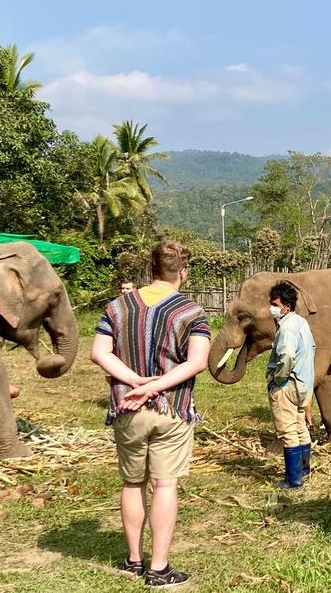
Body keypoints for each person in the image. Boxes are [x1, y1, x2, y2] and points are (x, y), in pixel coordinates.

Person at [91, 241, 211, 588]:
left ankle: (133, 560)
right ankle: (159, 567)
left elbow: (99, 352)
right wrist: (155, 386)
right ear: (182, 274)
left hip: (127, 406)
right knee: (165, 484)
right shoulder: (190, 311)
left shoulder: (117, 306)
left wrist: (134, 382)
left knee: (132, 484)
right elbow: (197, 361)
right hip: (170, 409)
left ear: (150, 270)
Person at [265, 281, 316, 489]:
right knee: (300, 426)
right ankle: (304, 469)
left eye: (275, 304)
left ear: (286, 306)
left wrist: (278, 378)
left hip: (287, 384)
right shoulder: (301, 322)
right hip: (303, 385)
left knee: (287, 431)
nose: (272, 308)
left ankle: (293, 478)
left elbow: (286, 355)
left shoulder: (286, 329)